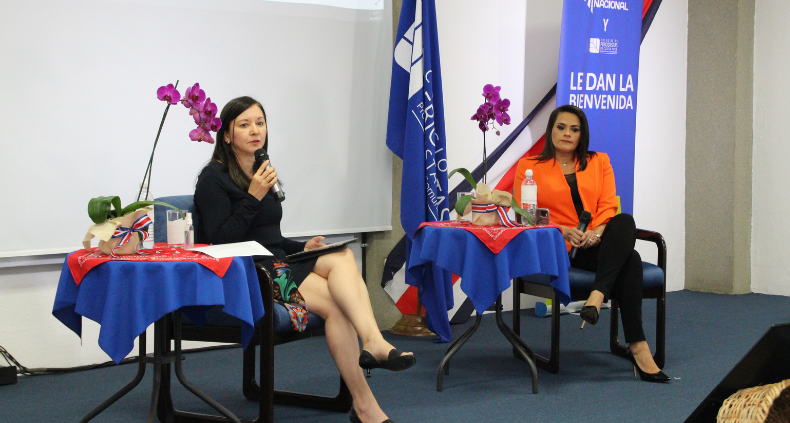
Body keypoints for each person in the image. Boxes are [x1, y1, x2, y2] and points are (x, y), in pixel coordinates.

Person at [194, 96, 415, 423]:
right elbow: (220, 242)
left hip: (276, 262)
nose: (255, 131)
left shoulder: (261, 170)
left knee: (340, 255)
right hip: (249, 273)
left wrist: (302, 246)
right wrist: (254, 197)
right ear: (226, 135)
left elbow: (270, 235)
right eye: (244, 125)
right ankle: (367, 391)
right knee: (337, 301)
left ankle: (371, 359)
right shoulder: (213, 178)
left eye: (260, 123)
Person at [513, 104, 669, 383]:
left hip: (596, 243)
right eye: (561, 127)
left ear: (582, 134)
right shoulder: (529, 167)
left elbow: (608, 206)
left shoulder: (599, 161)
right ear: (550, 130)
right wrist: (563, 230)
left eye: (574, 129)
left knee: (624, 220)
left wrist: (595, 233)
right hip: (559, 246)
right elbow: (524, 215)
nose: (567, 134)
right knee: (631, 260)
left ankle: (597, 297)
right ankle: (638, 347)